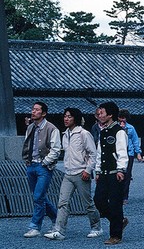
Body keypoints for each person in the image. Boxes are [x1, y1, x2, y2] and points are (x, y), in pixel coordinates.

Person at [45, 108, 102, 240]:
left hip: (81, 173)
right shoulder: (65, 134)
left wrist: (88, 170)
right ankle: (59, 230)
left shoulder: (84, 133)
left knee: (87, 203)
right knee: (62, 202)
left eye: (69, 117)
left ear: (75, 118)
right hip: (68, 173)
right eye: (65, 116)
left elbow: (93, 153)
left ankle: (96, 227)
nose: (66, 119)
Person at [21, 101, 62, 238]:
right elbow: (27, 144)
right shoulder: (31, 127)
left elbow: (56, 149)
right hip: (31, 164)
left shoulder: (52, 128)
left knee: (38, 196)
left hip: (44, 166)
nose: (33, 112)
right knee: (39, 197)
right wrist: (27, 160)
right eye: (33, 109)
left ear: (43, 113)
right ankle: (56, 218)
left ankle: (35, 226)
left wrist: (45, 162)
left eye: (37, 110)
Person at [93, 101, 129, 245]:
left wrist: (121, 169)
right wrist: (97, 170)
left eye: (102, 112)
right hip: (103, 172)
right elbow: (99, 153)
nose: (99, 115)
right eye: (99, 113)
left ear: (110, 114)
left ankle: (115, 235)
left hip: (115, 172)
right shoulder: (102, 132)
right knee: (98, 200)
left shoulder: (119, 131)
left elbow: (122, 152)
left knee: (115, 204)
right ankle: (119, 221)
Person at [117, 109, 142, 205]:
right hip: (118, 153)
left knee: (127, 175)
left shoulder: (131, 128)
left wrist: (138, 153)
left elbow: (135, 141)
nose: (123, 120)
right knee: (117, 174)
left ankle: (124, 196)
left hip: (129, 153)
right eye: (121, 118)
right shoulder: (115, 127)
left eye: (124, 118)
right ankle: (116, 195)